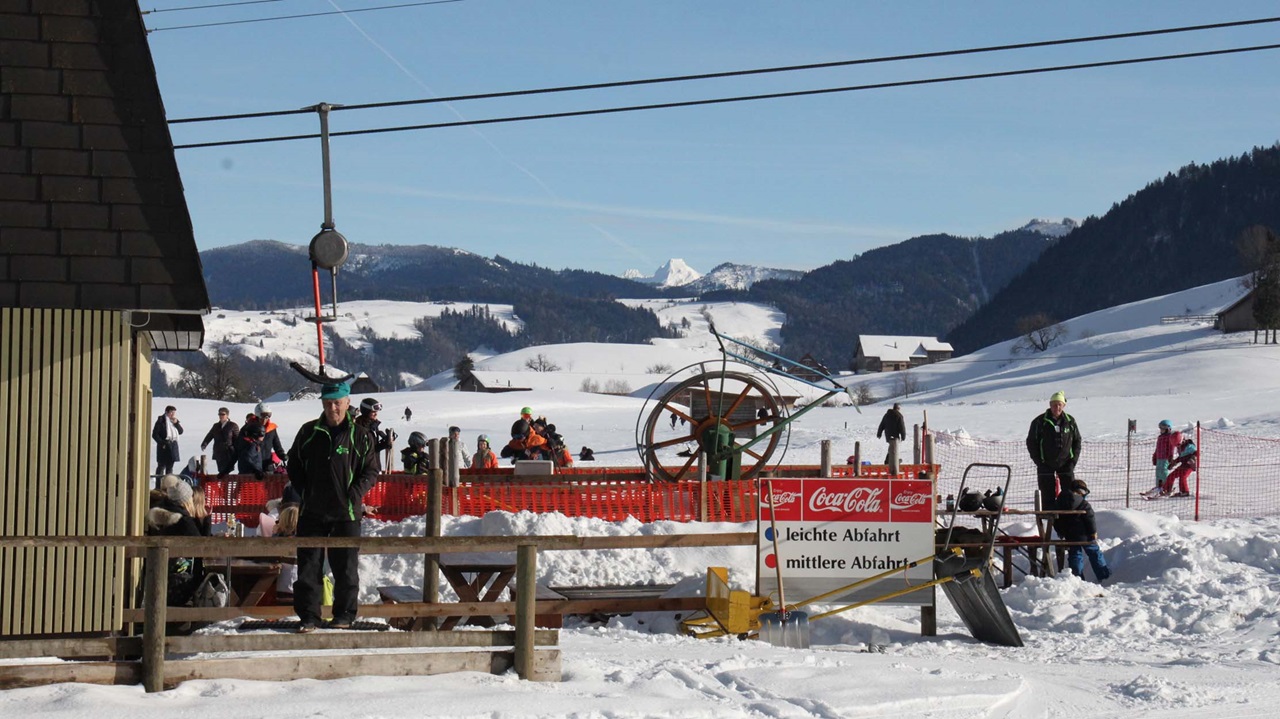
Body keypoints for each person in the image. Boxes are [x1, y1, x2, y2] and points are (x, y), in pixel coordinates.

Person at [286, 382, 380, 633]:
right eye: (328, 403)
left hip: (346, 513)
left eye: (337, 402)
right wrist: (305, 490)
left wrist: (354, 494)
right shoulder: (308, 432)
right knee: (308, 567)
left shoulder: (360, 435)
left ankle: (345, 615)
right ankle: (309, 617)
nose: (333, 408)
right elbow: (293, 463)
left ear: (348, 403)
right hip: (312, 512)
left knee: (346, 568)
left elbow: (371, 471)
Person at [1052, 479, 1111, 582]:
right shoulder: (1083, 503)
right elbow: (1090, 518)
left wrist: (1061, 531)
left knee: (1075, 555)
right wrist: (1093, 532)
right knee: (1094, 553)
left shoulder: (1059, 502)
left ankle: (1077, 578)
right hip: (1085, 535)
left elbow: (1055, 519)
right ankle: (1104, 576)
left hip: (1069, 535)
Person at [1026, 390, 1081, 501]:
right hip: (1045, 464)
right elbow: (1031, 442)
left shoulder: (1070, 421)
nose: (1057, 407)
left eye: (1059, 405)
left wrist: (1072, 461)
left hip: (1066, 464)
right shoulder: (1039, 422)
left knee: (1069, 496)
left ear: (1064, 405)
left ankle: (1068, 517)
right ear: (1050, 405)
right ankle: (1048, 517)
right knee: (1047, 497)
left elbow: (1077, 441)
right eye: (1054, 405)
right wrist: (1039, 462)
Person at [200, 407, 240, 477]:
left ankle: (225, 486)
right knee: (221, 470)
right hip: (218, 451)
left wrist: (237, 449)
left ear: (227, 415)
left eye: (223, 414)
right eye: (219, 414)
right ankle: (223, 486)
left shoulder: (232, 425)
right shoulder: (216, 426)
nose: (221, 416)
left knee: (227, 470)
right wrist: (204, 444)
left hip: (228, 452)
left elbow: (237, 439)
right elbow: (210, 435)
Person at [254, 403, 288, 474]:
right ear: (257, 415)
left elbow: (277, 445)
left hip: (267, 463)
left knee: (268, 484)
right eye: (262, 416)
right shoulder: (250, 428)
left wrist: (282, 455)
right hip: (253, 465)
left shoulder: (271, 429)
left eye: (268, 416)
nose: (265, 419)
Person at [1151, 419, 1182, 494]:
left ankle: (1166, 487)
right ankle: (1158, 487)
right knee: (1158, 473)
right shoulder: (1160, 437)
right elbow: (1157, 448)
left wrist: (1170, 457)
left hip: (1165, 458)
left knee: (1164, 473)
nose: (1161, 430)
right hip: (1159, 458)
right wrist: (1155, 456)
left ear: (1168, 429)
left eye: (1163, 428)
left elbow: (1171, 447)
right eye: (1160, 428)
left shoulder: (1170, 437)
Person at [151, 405, 183, 478]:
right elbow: (155, 434)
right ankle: (158, 485)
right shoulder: (161, 421)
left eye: (174, 413)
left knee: (170, 467)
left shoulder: (174, 421)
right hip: (164, 445)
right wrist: (162, 443)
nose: (173, 414)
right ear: (166, 412)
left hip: (173, 445)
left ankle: (168, 485)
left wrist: (176, 423)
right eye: (171, 412)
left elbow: (181, 431)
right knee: (161, 466)